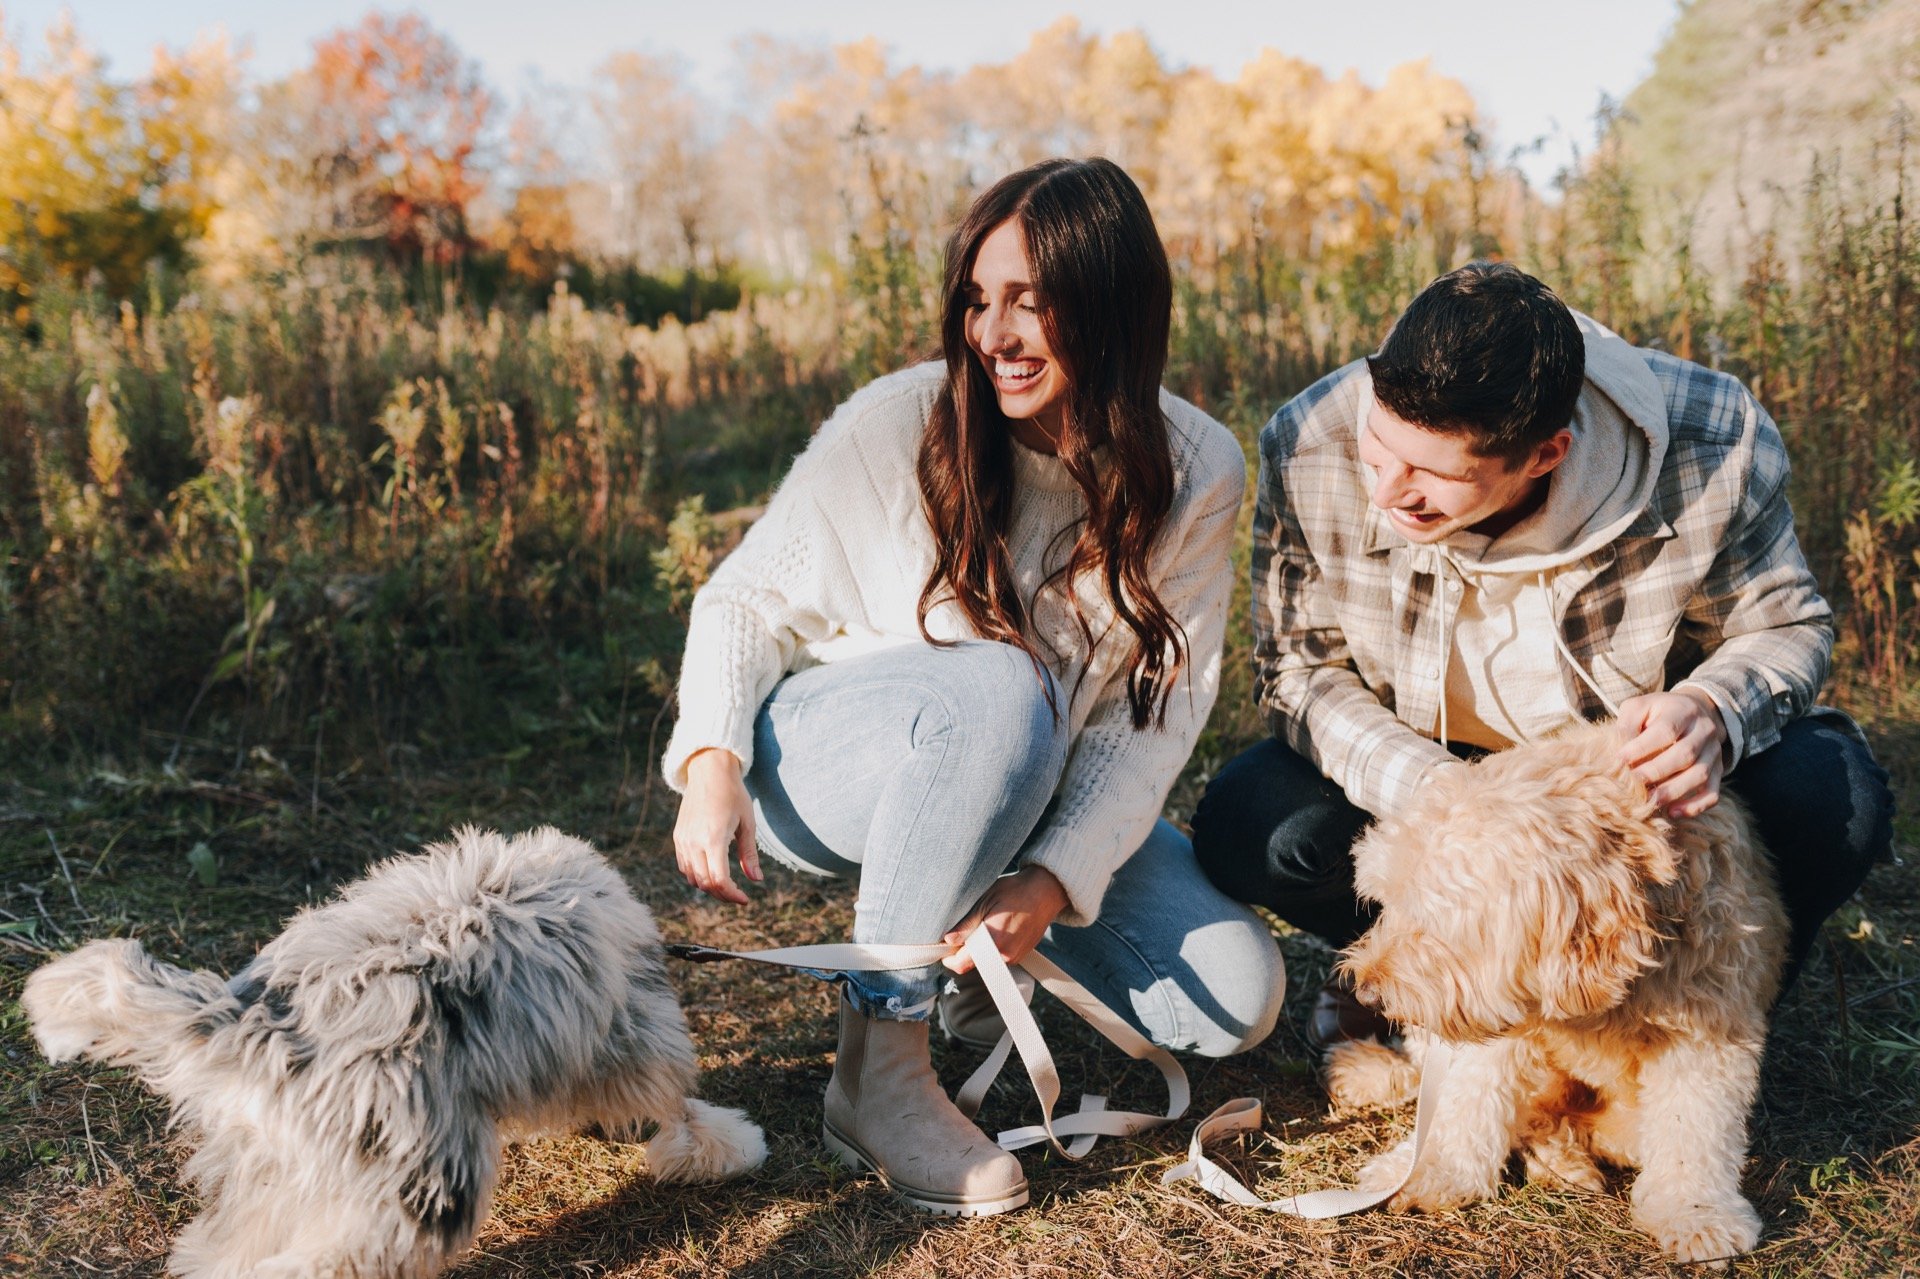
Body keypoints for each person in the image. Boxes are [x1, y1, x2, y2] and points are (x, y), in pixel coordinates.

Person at [662, 158, 1285, 1217]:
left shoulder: (1199, 471)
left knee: (1236, 1000)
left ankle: (969, 975)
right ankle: (880, 1075)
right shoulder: (897, 421)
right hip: (833, 761)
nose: (992, 333)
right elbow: (742, 602)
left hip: (1021, 791)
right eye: (978, 298)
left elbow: (1153, 718)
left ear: (1113, 310)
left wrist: (1046, 883)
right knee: (1005, 683)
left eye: (1029, 303)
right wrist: (714, 758)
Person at [1191, 261, 1893, 1052]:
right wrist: (1443, 794)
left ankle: (1678, 1009)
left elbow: (1786, 625)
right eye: (1380, 445)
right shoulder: (1309, 439)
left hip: (1611, 794)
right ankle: (1430, 974)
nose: (1386, 490)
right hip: (1430, 762)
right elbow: (1298, 671)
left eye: (1433, 474)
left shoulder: (1715, 438)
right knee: (1251, 824)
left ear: (1546, 454)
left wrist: (1711, 710)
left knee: (1838, 800)